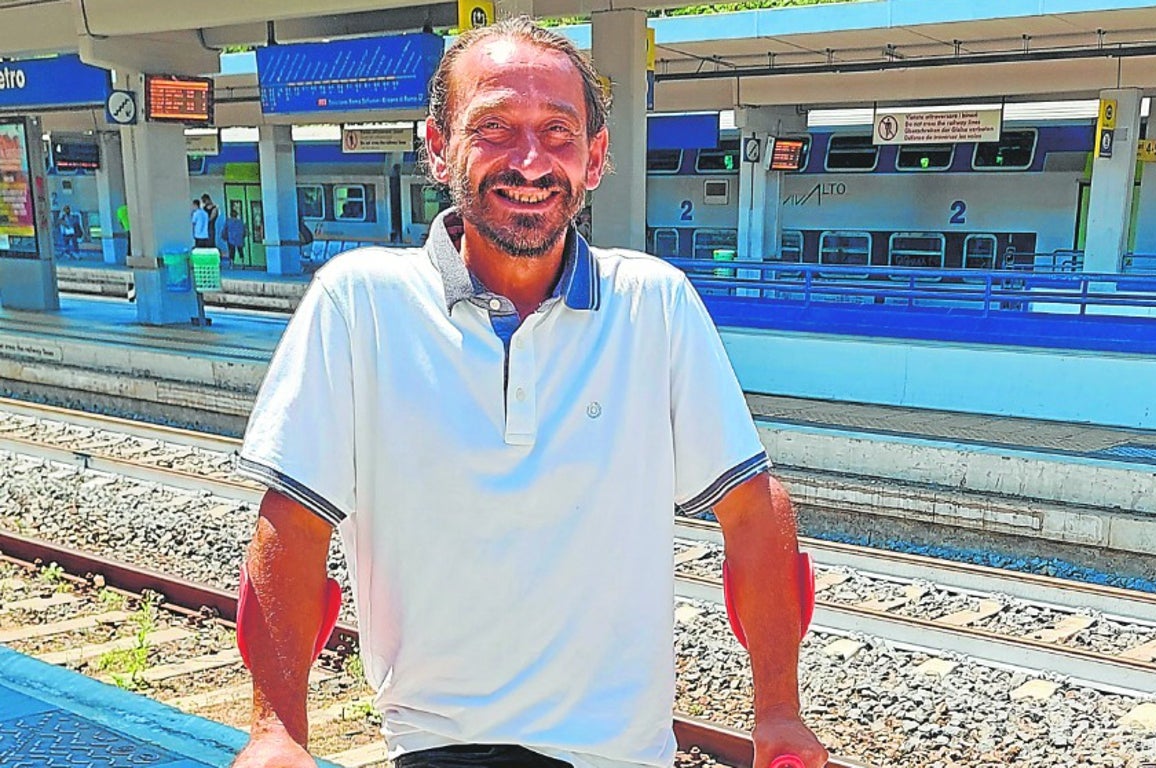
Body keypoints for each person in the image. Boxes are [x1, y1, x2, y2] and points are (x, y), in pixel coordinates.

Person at [232, 17, 829, 768]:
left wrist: (778, 709)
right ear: (437, 145)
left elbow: (753, 508)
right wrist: (276, 731)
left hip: (622, 755)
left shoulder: (654, 304)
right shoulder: (360, 302)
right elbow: (292, 524)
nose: (530, 160)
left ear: (595, 157)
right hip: (436, 745)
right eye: (494, 129)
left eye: (558, 132)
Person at [222, 203, 246, 267]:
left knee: (231, 251)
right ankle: (242, 263)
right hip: (239, 238)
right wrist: (243, 236)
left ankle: (232, 264)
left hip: (231, 238)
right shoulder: (240, 222)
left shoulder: (228, 221)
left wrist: (224, 237)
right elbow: (244, 230)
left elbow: (225, 230)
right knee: (240, 250)